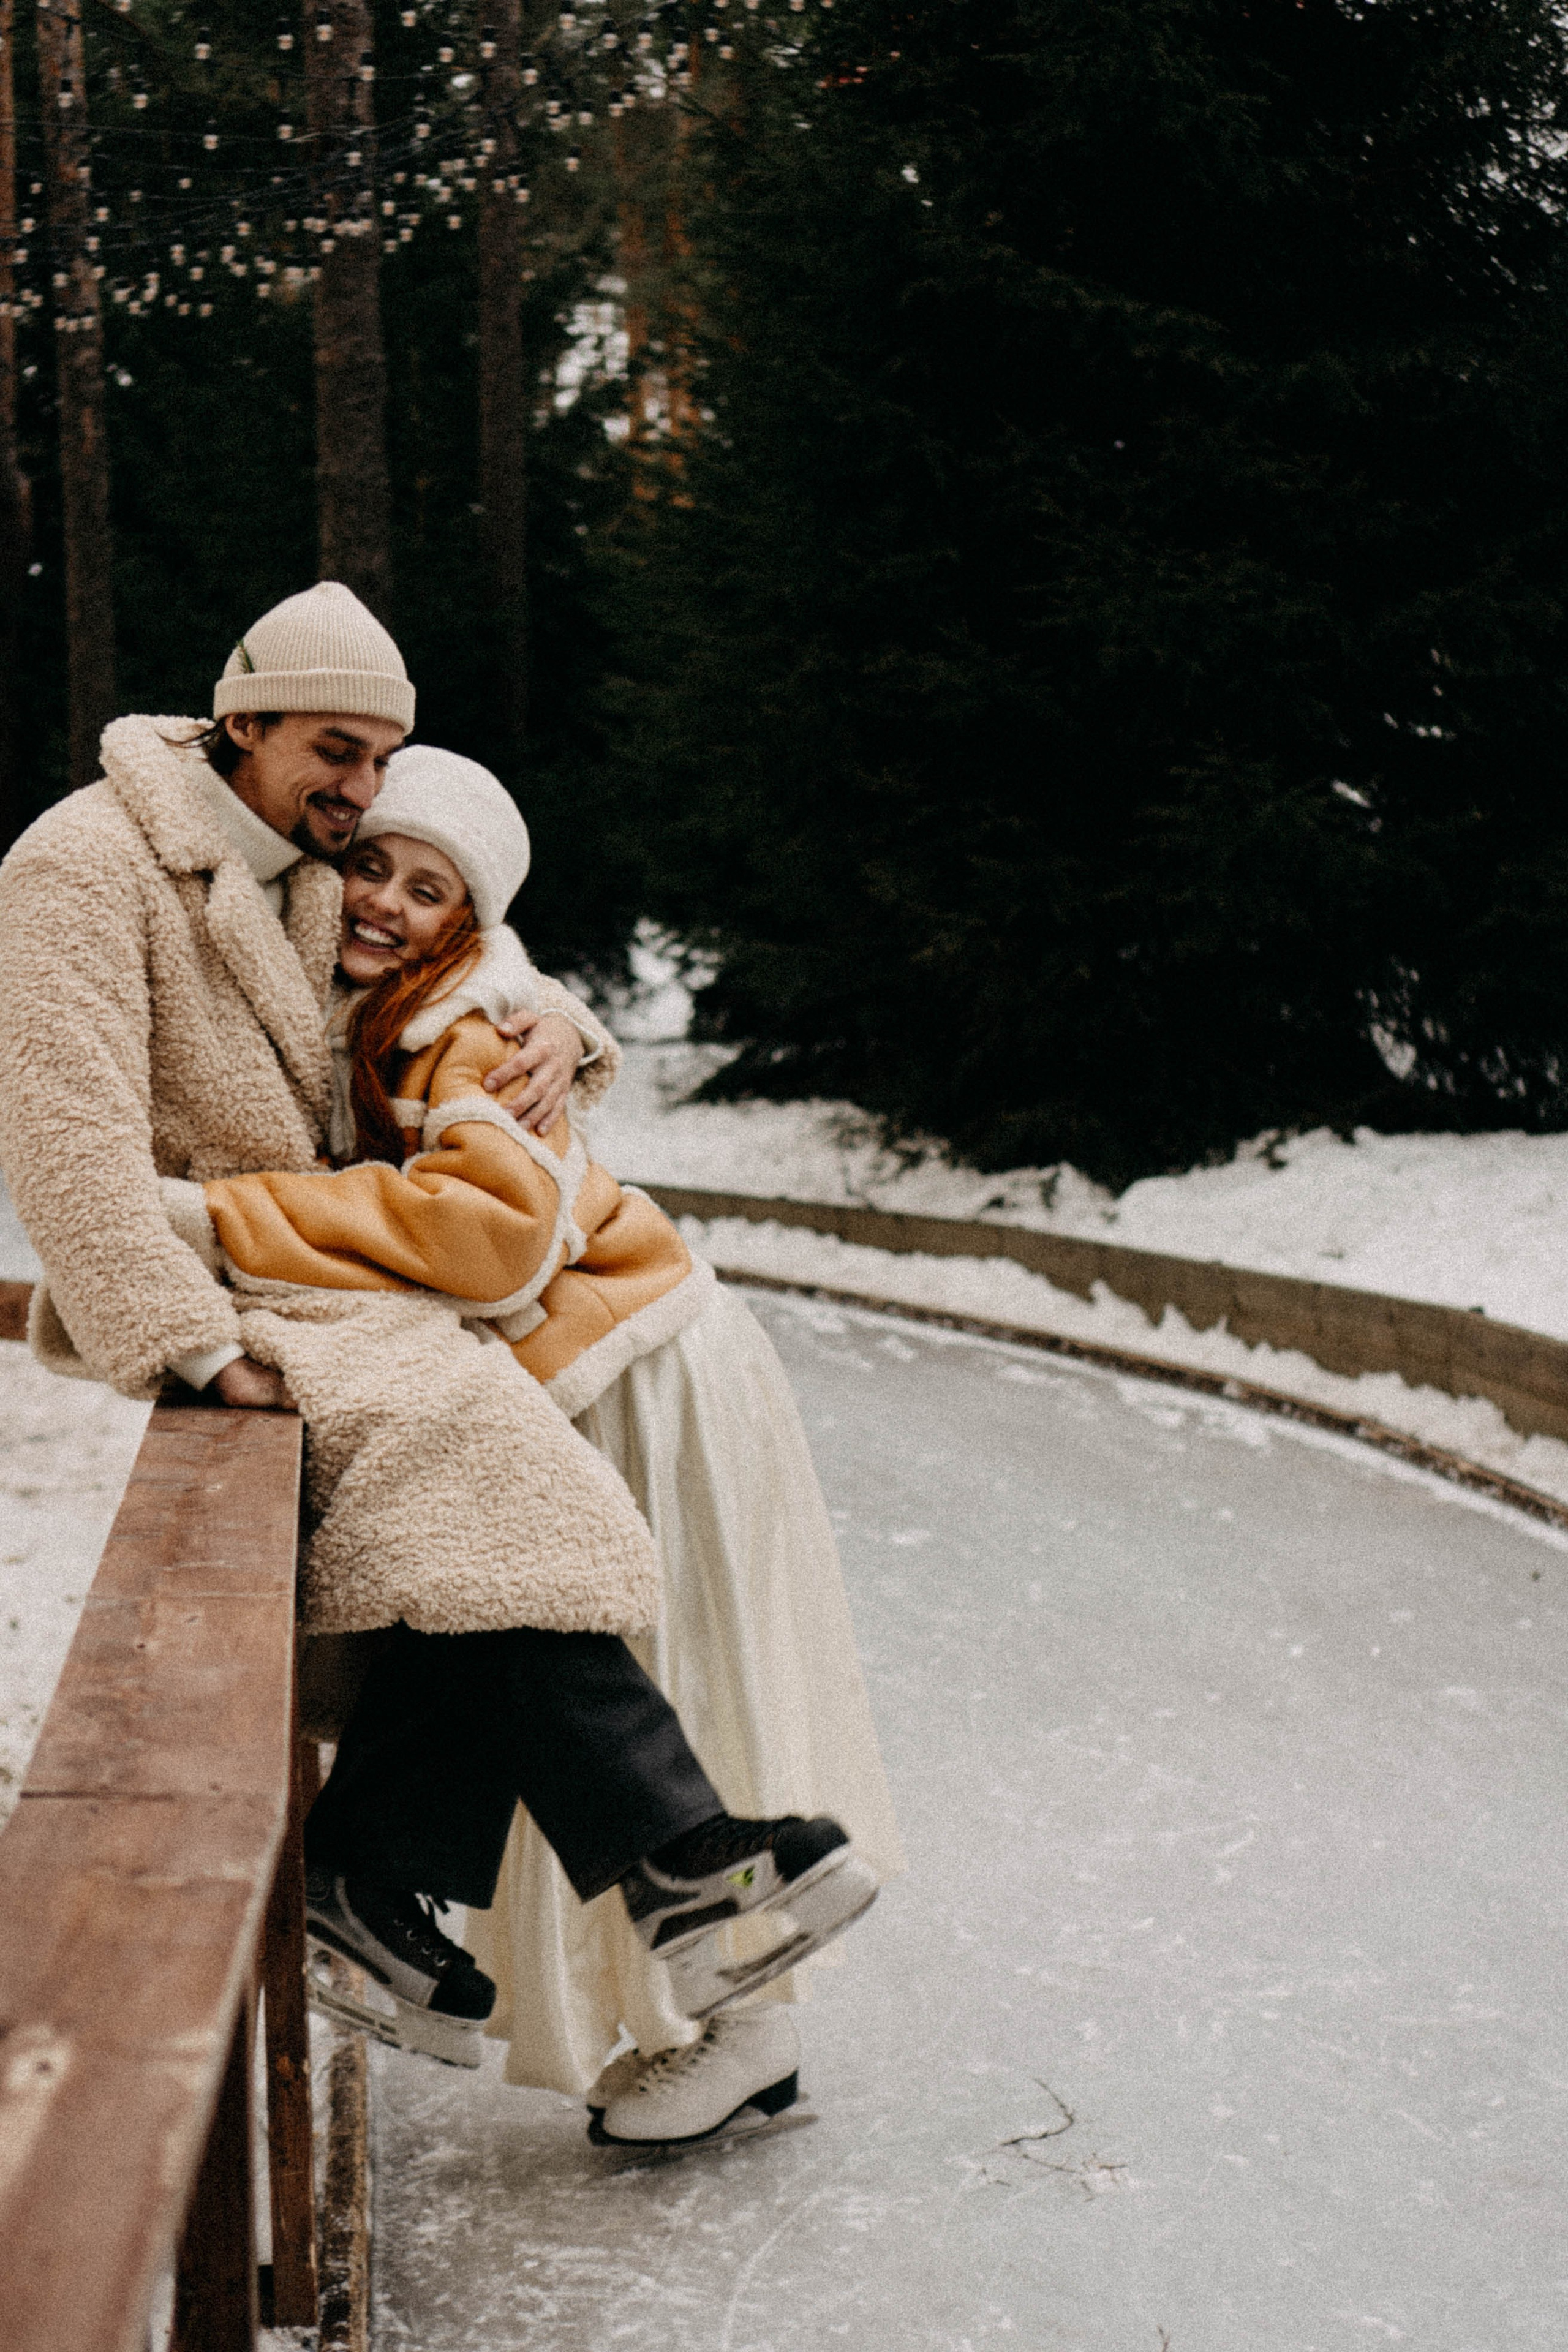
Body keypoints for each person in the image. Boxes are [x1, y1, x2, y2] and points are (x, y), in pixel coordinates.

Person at [0, 584, 879, 2109]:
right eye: (334, 752)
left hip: (339, 1279)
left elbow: (448, 972)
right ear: (243, 715)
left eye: (378, 761)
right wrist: (185, 1348)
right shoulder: (80, 866)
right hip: (235, 1289)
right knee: (474, 1471)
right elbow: (67, 1149)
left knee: (471, 1524)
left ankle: (432, 1882)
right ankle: (663, 1875)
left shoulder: (302, 857)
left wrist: (563, 1028)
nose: (358, 794)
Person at [183, 743, 903, 2146]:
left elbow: (490, 1239)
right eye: (368, 863)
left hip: (633, 1366)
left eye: (426, 886)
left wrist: (220, 1220)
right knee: (483, 1592)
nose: (384, 901)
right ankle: (388, 1884)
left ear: (470, 919)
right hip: (602, 1355)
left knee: (623, 1648)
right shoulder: (401, 1000)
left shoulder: (461, 1018)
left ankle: (734, 2013)